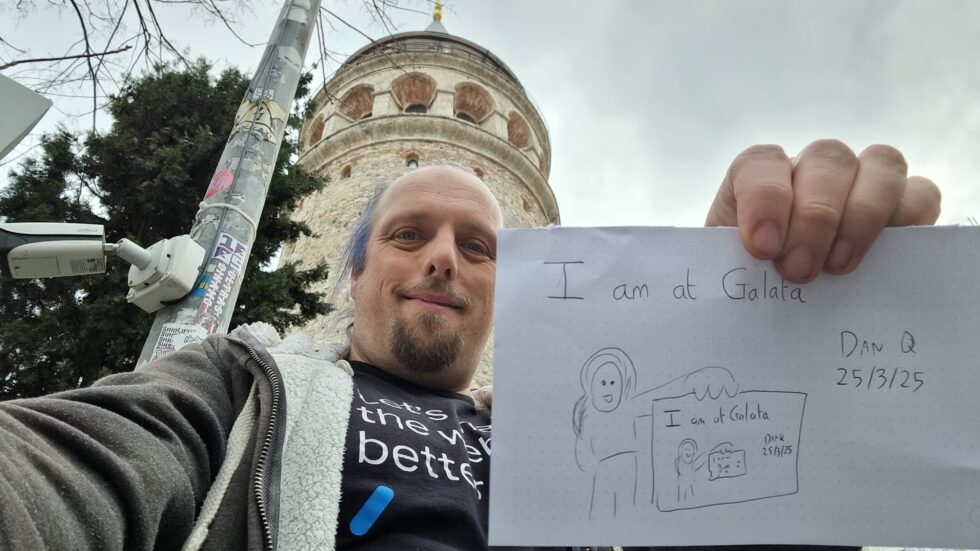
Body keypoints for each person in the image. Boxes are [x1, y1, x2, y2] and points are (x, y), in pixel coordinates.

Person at [0, 140, 941, 550]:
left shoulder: (580, 453)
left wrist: (769, 330)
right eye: (410, 234)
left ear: (511, 286)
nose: (444, 258)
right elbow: (77, 468)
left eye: (480, 246)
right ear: (355, 273)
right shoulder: (242, 390)